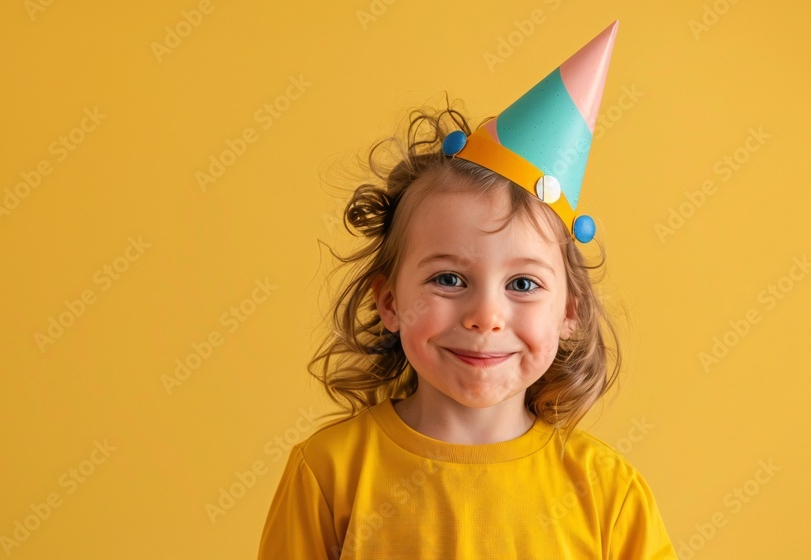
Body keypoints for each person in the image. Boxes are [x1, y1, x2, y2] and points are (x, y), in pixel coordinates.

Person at [257, 20, 677, 559]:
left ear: (568, 313)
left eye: (522, 283)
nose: (486, 315)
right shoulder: (328, 472)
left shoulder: (609, 494)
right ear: (389, 302)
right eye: (449, 279)